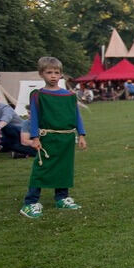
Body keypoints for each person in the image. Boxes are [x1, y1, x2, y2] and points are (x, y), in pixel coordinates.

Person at [18, 57, 87, 219]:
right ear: (41, 74)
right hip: (47, 137)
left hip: (67, 138)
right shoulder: (38, 95)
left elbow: (76, 116)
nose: (53, 76)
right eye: (49, 72)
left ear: (61, 75)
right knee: (42, 168)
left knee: (64, 167)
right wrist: (35, 137)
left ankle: (62, 197)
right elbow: (34, 117)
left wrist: (82, 135)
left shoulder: (69, 95)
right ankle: (31, 201)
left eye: (57, 73)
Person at [0, 88, 36, 158]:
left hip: (22, 132)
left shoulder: (5, 108)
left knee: (7, 127)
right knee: (1, 146)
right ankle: (21, 152)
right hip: (7, 135)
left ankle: (21, 149)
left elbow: (6, 118)